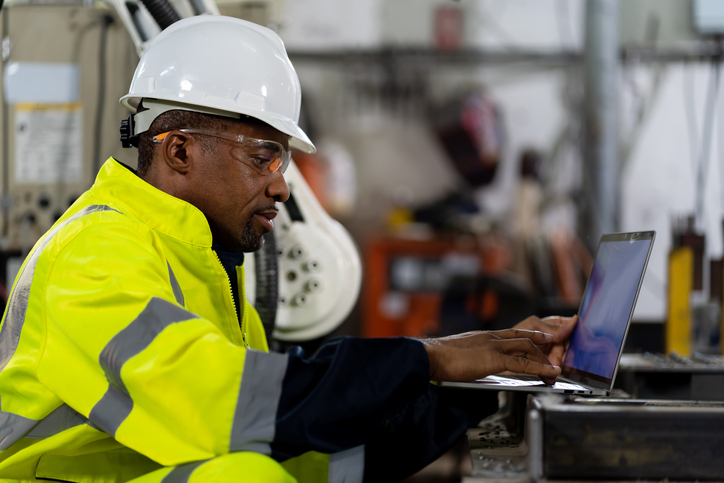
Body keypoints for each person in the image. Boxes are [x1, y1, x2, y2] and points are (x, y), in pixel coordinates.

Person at [0, 16, 576, 483]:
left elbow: (298, 443)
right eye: (263, 158)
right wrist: (428, 357)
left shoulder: (201, 265)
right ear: (178, 151)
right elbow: (232, 408)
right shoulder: (94, 258)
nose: (282, 186)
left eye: (285, 161)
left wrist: (482, 390)